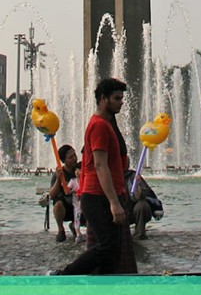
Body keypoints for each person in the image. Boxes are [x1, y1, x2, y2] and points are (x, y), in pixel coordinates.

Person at [52, 78, 136, 275]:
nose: (121, 102)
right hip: (98, 196)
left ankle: (106, 287)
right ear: (103, 99)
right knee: (107, 246)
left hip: (104, 195)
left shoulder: (106, 125)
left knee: (112, 250)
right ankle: (63, 275)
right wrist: (114, 202)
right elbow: (100, 165)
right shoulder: (99, 125)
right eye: (116, 98)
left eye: (122, 98)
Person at [49, 144, 79, 242]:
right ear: (63, 161)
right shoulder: (59, 173)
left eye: (75, 155)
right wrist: (58, 179)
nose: (74, 158)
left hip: (79, 205)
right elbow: (52, 195)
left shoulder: (80, 169)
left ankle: (75, 225)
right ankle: (61, 230)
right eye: (71, 157)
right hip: (66, 208)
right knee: (57, 204)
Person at [124, 170, 163, 240]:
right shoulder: (109, 175)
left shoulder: (133, 176)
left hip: (132, 210)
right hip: (115, 209)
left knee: (142, 206)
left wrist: (138, 189)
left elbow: (146, 195)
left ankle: (139, 234)